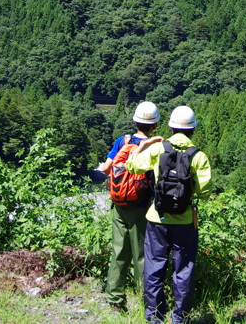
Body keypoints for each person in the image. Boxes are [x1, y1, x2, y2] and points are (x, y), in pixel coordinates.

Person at [125, 105, 212, 324]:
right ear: (192, 129)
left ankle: (155, 316)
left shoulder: (158, 150)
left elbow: (132, 166)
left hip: (157, 218)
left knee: (154, 267)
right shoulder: (199, 156)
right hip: (184, 221)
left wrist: (142, 146)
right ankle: (180, 317)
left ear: (171, 127)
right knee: (183, 269)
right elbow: (204, 193)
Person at [96, 101, 161, 311]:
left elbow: (106, 169)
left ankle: (115, 299)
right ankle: (147, 300)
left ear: (134, 121)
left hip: (119, 204)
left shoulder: (122, 141)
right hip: (142, 206)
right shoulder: (156, 146)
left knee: (119, 250)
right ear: (155, 125)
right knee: (142, 253)